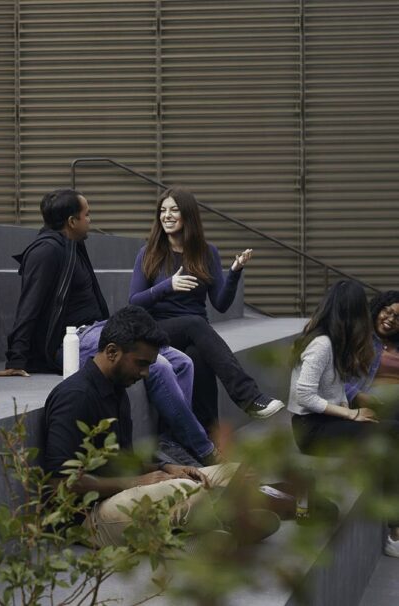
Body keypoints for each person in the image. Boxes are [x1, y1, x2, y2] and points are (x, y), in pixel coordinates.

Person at [0, 188, 219, 466]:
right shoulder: (47, 251)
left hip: (97, 328)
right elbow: (29, 305)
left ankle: (171, 441)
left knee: (183, 361)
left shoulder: (73, 244)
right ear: (72, 221)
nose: (91, 220)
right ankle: (205, 451)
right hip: (72, 339)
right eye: (87, 215)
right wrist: (17, 357)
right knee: (158, 365)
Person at [42, 305, 278, 547]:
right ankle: (222, 519)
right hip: (87, 519)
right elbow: (58, 484)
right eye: (141, 363)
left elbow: (121, 462)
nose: (145, 373)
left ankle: (218, 518)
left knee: (238, 472)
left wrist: (165, 468)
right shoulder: (75, 396)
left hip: (119, 494)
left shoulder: (117, 390)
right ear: (112, 352)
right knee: (187, 491)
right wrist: (136, 482)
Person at [128, 186, 284, 427]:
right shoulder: (148, 253)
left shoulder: (206, 252)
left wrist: (234, 272)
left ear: (188, 215)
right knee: (195, 323)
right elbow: (135, 301)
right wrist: (168, 285)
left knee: (198, 356)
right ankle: (249, 397)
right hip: (159, 329)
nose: (166, 216)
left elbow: (221, 304)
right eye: (162, 210)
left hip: (195, 334)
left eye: (174, 210)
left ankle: (210, 441)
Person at [288, 280, 399, 557]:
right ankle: (395, 532)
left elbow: (334, 392)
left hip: (324, 424)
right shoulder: (322, 344)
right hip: (310, 430)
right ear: (350, 313)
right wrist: (351, 413)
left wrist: (356, 416)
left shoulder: (332, 341)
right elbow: (304, 395)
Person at [345, 290, 399, 411]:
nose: (391, 319)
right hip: (372, 403)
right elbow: (334, 379)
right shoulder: (359, 339)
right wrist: (355, 395)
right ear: (378, 309)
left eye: (398, 318)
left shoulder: (396, 344)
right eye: (388, 311)